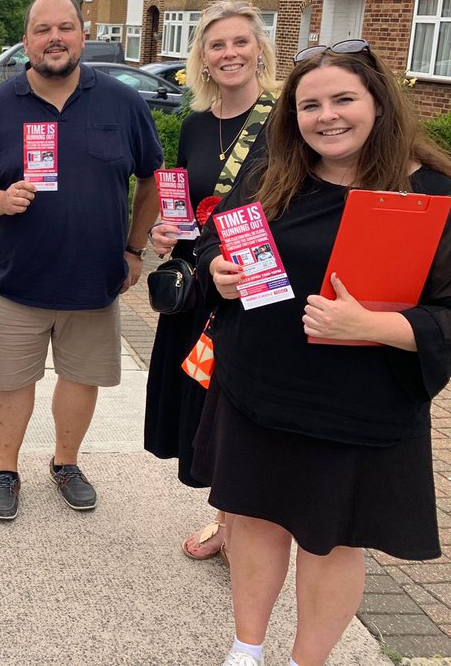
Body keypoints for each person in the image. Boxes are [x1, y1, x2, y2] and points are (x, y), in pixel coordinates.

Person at [192, 41, 451, 666]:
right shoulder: (271, 174)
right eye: (310, 105)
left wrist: (377, 325)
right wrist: (218, 272)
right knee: (252, 520)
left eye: (343, 100)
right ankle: (246, 649)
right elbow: (212, 248)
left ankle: (307, 661)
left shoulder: (432, 193)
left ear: (379, 105)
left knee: (331, 542)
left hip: (357, 408)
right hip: (259, 390)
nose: (327, 116)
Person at [0, 0, 162, 519]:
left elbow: (151, 180)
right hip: (16, 279)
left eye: (66, 28)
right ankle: (6, 469)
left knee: (82, 377)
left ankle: (65, 462)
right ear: (26, 41)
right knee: (11, 382)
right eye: (43, 29)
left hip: (94, 281)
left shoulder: (122, 102)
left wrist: (135, 249)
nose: (55, 38)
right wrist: (1, 201)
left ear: (82, 36)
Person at [143, 1, 278, 561]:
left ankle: (245, 527)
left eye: (240, 43)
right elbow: (186, 208)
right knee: (207, 410)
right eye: (216, 45)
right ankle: (226, 522)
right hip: (201, 285)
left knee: (243, 409)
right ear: (201, 56)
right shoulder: (197, 124)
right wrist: (162, 233)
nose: (229, 54)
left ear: (259, 51)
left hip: (253, 287)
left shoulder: (285, 121)